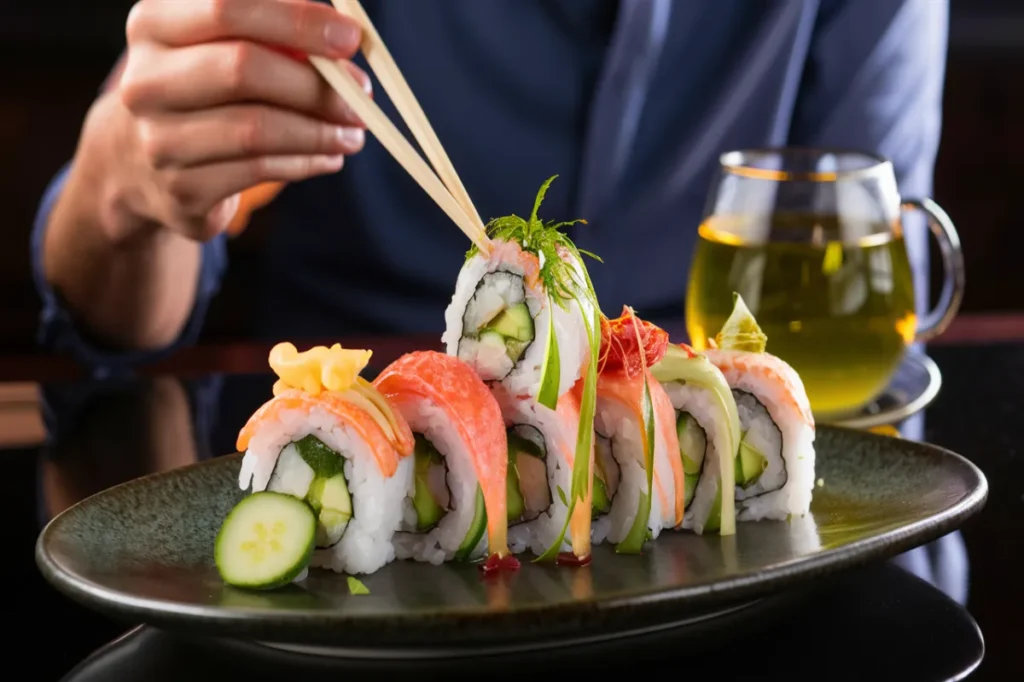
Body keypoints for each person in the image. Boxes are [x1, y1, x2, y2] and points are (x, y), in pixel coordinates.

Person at [32, 0, 949, 375]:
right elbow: (121, 314)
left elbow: (864, 340)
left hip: (724, 492)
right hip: (349, 411)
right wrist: (129, 197)